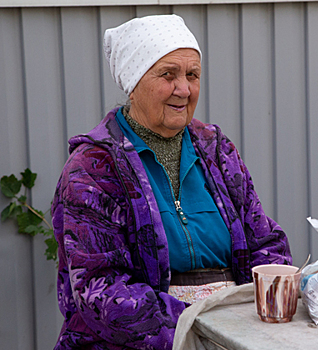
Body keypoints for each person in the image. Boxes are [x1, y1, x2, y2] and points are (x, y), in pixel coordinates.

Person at [51, 14, 292, 350]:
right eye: (168, 75)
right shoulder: (93, 167)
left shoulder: (215, 148)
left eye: (192, 75)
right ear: (134, 84)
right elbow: (100, 289)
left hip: (233, 333)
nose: (184, 89)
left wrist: (266, 302)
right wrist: (197, 326)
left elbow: (264, 240)